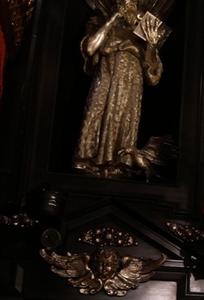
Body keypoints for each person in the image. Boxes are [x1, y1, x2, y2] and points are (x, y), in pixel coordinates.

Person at [74, 1, 166, 176]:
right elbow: (90, 48)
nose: (127, 6)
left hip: (131, 78)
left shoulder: (145, 28)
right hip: (107, 72)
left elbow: (153, 73)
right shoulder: (100, 21)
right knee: (96, 110)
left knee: (123, 116)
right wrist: (111, 20)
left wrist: (152, 45)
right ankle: (86, 158)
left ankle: (118, 164)